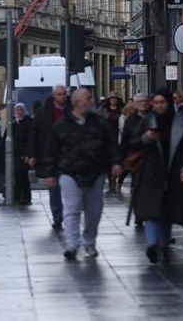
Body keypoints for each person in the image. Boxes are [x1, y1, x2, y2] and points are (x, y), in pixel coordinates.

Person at [40, 88, 121, 260]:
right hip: (69, 172)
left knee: (94, 210)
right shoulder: (62, 124)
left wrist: (116, 162)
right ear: (77, 102)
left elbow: (112, 144)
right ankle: (72, 244)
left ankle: (89, 242)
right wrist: (50, 173)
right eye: (88, 99)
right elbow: (51, 150)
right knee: (72, 209)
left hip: (96, 172)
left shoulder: (100, 123)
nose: (91, 101)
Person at [129, 88, 183, 264]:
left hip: (172, 171)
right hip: (151, 172)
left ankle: (164, 245)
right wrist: (146, 138)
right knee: (151, 210)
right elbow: (133, 142)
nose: (158, 106)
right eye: (155, 103)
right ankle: (152, 245)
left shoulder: (179, 121)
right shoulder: (147, 121)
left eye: (162, 102)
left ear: (168, 102)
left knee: (167, 210)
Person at [28, 85, 70, 230]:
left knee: (71, 189)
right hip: (51, 157)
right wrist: (32, 155)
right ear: (54, 95)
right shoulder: (43, 112)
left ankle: (70, 215)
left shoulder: (73, 111)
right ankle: (57, 217)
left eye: (64, 94)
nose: (62, 96)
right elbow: (33, 134)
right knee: (54, 188)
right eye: (59, 94)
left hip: (71, 157)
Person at [119, 93, 149, 197]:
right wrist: (121, 158)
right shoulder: (130, 120)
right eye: (140, 102)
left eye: (145, 101)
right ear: (135, 105)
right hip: (135, 155)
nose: (143, 103)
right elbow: (125, 140)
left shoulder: (153, 117)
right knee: (136, 181)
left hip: (151, 156)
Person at [10, 103, 34, 205]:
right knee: (17, 176)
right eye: (17, 110)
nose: (19, 112)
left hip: (24, 154)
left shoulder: (28, 122)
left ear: (24, 111)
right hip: (14, 154)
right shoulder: (13, 122)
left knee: (23, 176)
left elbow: (30, 139)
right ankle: (18, 197)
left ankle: (26, 198)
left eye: (21, 110)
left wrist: (28, 154)